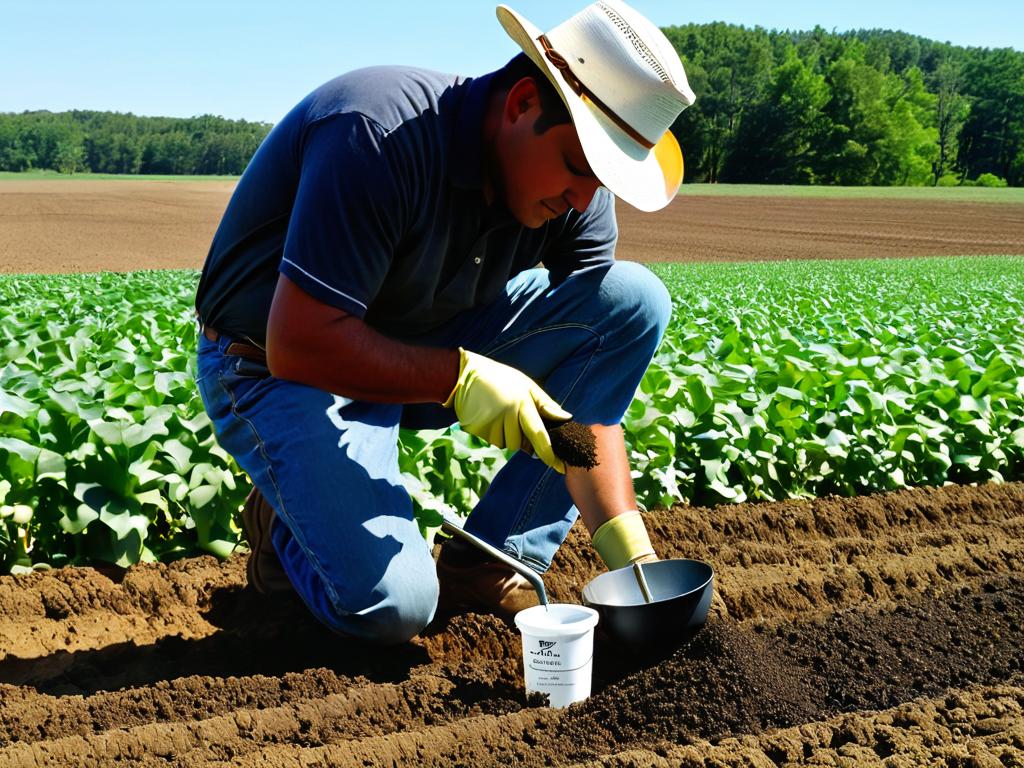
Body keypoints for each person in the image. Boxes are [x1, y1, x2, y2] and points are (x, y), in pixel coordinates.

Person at [193, 0, 696, 644]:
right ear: (521, 104)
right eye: (579, 166)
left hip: (419, 342)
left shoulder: (576, 195)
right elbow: (297, 345)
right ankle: (284, 526)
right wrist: (458, 378)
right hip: (280, 363)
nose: (583, 198)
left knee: (631, 300)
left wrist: (634, 554)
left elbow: (593, 387)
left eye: (603, 180)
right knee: (393, 609)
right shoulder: (376, 131)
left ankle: (489, 560)